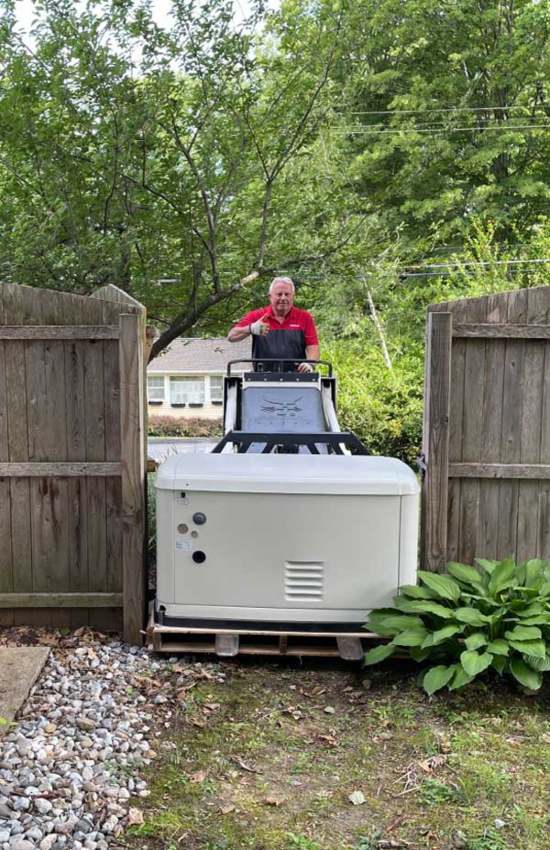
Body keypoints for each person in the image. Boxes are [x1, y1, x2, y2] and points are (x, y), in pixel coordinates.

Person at [227, 277, 319, 372]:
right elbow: (231, 336)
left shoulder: (304, 317)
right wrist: (250, 328)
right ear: (270, 296)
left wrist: (310, 364)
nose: (283, 298)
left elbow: (313, 347)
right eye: (279, 294)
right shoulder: (258, 316)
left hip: (297, 378)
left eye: (287, 294)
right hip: (262, 378)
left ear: (293, 296)